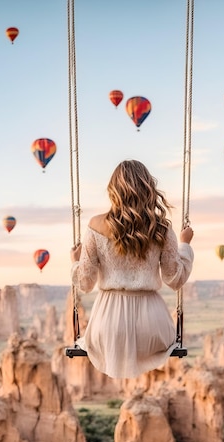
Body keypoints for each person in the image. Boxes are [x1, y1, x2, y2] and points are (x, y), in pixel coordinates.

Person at [70, 159, 194, 379]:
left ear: (113, 190)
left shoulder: (95, 226)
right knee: (160, 341)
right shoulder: (162, 229)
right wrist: (185, 244)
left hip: (108, 326)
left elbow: (85, 283)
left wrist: (76, 261)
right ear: (148, 188)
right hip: (152, 327)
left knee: (97, 338)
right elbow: (175, 279)